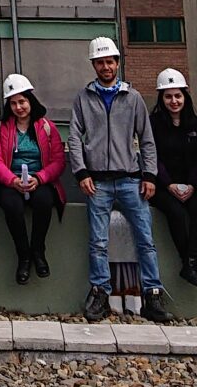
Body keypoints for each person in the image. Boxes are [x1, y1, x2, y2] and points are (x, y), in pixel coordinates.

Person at [68, 37, 173, 323]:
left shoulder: (133, 98)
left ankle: (152, 293)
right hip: (97, 182)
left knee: (145, 240)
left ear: (117, 63)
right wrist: (81, 172)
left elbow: (147, 140)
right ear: (94, 64)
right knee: (98, 242)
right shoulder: (83, 99)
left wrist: (149, 175)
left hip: (130, 179)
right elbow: (75, 137)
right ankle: (100, 292)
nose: (106, 66)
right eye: (100, 62)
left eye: (110, 61)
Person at [0, 72, 64, 285]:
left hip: (40, 180)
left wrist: (40, 178)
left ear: (30, 100)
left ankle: (38, 251)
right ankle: (24, 255)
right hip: (10, 182)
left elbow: (59, 161)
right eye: (13, 103)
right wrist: (13, 181)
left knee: (44, 201)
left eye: (22, 101)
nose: (18, 107)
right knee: (11, 205)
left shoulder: (47, 127)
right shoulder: (0, 129)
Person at [149, 68, 197, 289]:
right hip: (162, 185)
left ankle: (192, 261)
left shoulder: (196, 124)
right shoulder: (154, 124)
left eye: (178, 96)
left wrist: (192, 185)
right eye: (168, 96)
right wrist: (169, 184)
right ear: (161, 98)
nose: (174, 101)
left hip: (193, 185)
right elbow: (152, 155)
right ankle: (188, 262)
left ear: (185, 96)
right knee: (175, 212)